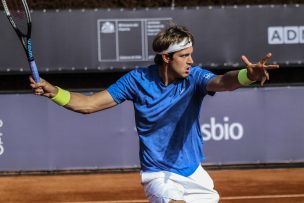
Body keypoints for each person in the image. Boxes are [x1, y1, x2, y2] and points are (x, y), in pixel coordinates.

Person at [30, 25, 279, 203]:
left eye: (191, 54)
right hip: (158, 174)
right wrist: (54, 92)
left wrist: (249, 75)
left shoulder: (194, 77)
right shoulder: (136, 80)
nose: (191, 61)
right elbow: (88, 105)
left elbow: (223, 81)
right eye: (184, 56)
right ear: (166, 57)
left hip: (193, 171)